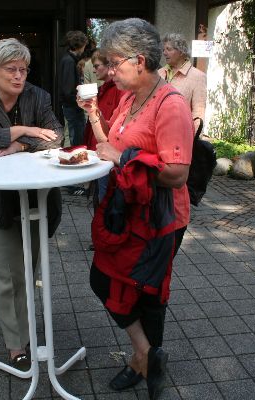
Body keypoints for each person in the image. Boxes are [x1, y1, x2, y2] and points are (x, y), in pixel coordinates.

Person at [78, 18, 193, 399]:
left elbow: (176, 173)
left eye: (114, 63)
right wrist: (93, 114)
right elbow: (110, 146)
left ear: (139, 61)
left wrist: (122, 157)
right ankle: (146, 355)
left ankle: (142, 363)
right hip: (128, 210)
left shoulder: (171, 104)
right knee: (103, 279)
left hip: (161, 217)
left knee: (147, 295)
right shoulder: (129, 97)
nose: (109, 71)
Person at [0, 38, 63, 370]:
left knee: (26, 272)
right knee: (8, 275)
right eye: (11, 69)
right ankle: (16, 345)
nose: (19, 76)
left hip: (34, 200)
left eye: (24, 69)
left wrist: (18, 146)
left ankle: (27, 330)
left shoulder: (38, 96)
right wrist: (21, 129)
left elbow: (57, 135)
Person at [81, 48, 126, 203]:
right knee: (101, 200)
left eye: (97, 66)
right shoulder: (102, 89)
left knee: (105, 201)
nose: (94, 70)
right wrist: (91, 109)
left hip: (111, 156)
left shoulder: (120, 91)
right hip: (101, 151)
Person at [158, 33, 207, 133]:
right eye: (164, 50)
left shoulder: (197, 76)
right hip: (155, 132)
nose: (164, 53)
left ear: (181, 51)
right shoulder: (159, 73)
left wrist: (193, 137)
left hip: (180, 134)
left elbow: (198, 113)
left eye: (169, 49)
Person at [58, 30, 88, 146]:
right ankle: (76, 154)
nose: (84, 49)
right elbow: (68, 89)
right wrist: (79, 99)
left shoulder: (68, 59)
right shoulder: (69, 61)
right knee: (76, 136)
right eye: (84, 46)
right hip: (72, 106)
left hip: (71, 105)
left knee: (76, 134)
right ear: (80, 45)